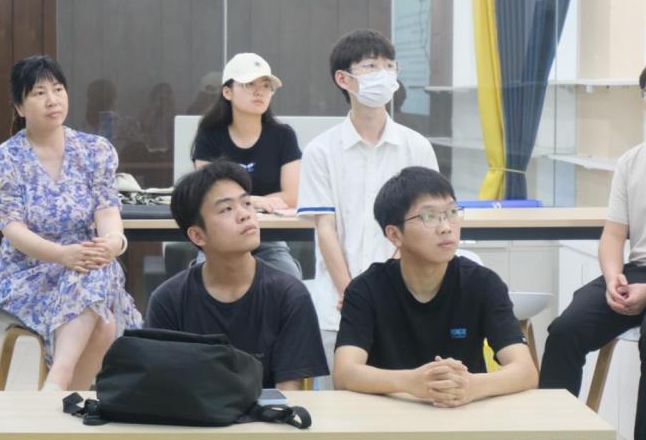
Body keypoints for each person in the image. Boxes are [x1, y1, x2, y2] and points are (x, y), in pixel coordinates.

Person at [0, 55, 142, 391]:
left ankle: (57, 390)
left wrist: (113, 243)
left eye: (58, 89)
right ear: (20, 107)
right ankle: (63, 391)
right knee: (103, 319)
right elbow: (12, 229)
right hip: (29, 274)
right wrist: (62, 255)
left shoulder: (94, 150)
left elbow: (107, 211)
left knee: (96, 274)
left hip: (85, 266)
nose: (52, 100)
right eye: (39, 93)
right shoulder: (4, 159)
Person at [297, 28, 438, 385]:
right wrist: (353, 293)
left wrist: (389, 289)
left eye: (390, 66)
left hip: (406, 298)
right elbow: (325, 228)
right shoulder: (320, 151)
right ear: (343, 79)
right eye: (372, 66)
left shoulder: (417, 146)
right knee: (338, 406)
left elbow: (424, 224)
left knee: (407, 399)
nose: (384, 74)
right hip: (338, 305)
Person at [334, 166, 538, 408]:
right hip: (388, 416)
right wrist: (411, 382)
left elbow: (526, 370)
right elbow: (344, 373)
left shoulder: (482, 283)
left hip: (464, 414)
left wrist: (472, 386)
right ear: (395, 235)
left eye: (452, 212)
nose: (446, 227)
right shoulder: (366, 289)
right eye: (429, 217)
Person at [146, 161, 329, 389]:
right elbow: (161, 387)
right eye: (226, 209)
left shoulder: (289, 294)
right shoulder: (168, 300)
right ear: (197, 235)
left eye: (247, 203)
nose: (244, 215)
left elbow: (290, 394)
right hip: (192, 411)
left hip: (269, 412)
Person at [539, 66, 646, 440]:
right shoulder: (632, 161)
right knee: (565, 331)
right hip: (635, 270)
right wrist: (614, 277)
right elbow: (613, 236)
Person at [191, 52, 303, 280]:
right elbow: (208, 194)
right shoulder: (210, 134)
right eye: (249, 84)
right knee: (204, 282)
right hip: (220, 236)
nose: (259, 91)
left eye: (266, 86)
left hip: (268, 236)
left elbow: (293, 196)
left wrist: (239, 203)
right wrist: (255, 201)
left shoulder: (283, 135)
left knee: (289, 279)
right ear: (227, 92)